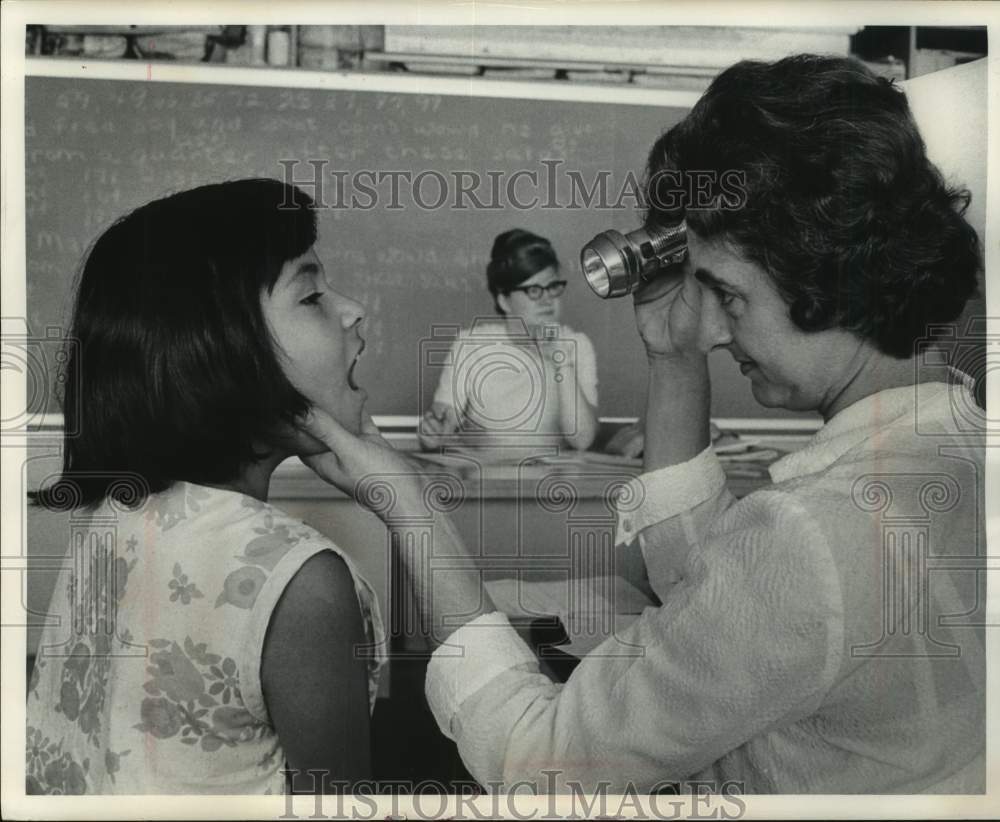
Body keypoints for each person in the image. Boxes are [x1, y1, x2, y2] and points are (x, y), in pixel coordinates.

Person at [298, 55, 985, 793]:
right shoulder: (964, 444)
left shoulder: (816, 530)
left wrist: (409, 505)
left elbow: (544, 768)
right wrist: (672, 357)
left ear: (820, 275)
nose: (715, 332)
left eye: (728, 294)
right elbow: (718, 598)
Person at [26, 179, 384, 794]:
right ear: (221, 354)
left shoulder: (120, 508)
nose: (353, 310)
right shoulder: (303, 581)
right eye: (312, 295)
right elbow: (344, 808)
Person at [418, 229, 598, 456]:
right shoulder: (471, 345)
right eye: (533, 290)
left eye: (553, 287)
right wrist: (434, 432)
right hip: (484, 480)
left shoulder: (577, 345)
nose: (547, 299)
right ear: (504, 300)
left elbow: (582, 440)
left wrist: (562, 362)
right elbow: (443, 420)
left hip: (552, 485)